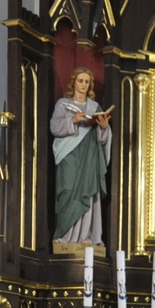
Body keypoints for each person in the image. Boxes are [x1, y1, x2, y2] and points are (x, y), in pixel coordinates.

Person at [50, 67, 113, 245]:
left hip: (89, 155)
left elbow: (102, 139)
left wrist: (103, 128)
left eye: (87, 81)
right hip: (69, 154)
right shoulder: (63, 104)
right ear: (74, 82)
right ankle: (65, 235)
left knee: (88, 191)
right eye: (80, 81)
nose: (84, 85)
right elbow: (54, 127)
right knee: (67, 189)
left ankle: (86, 235)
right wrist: (73, 120)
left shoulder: (95, 107)